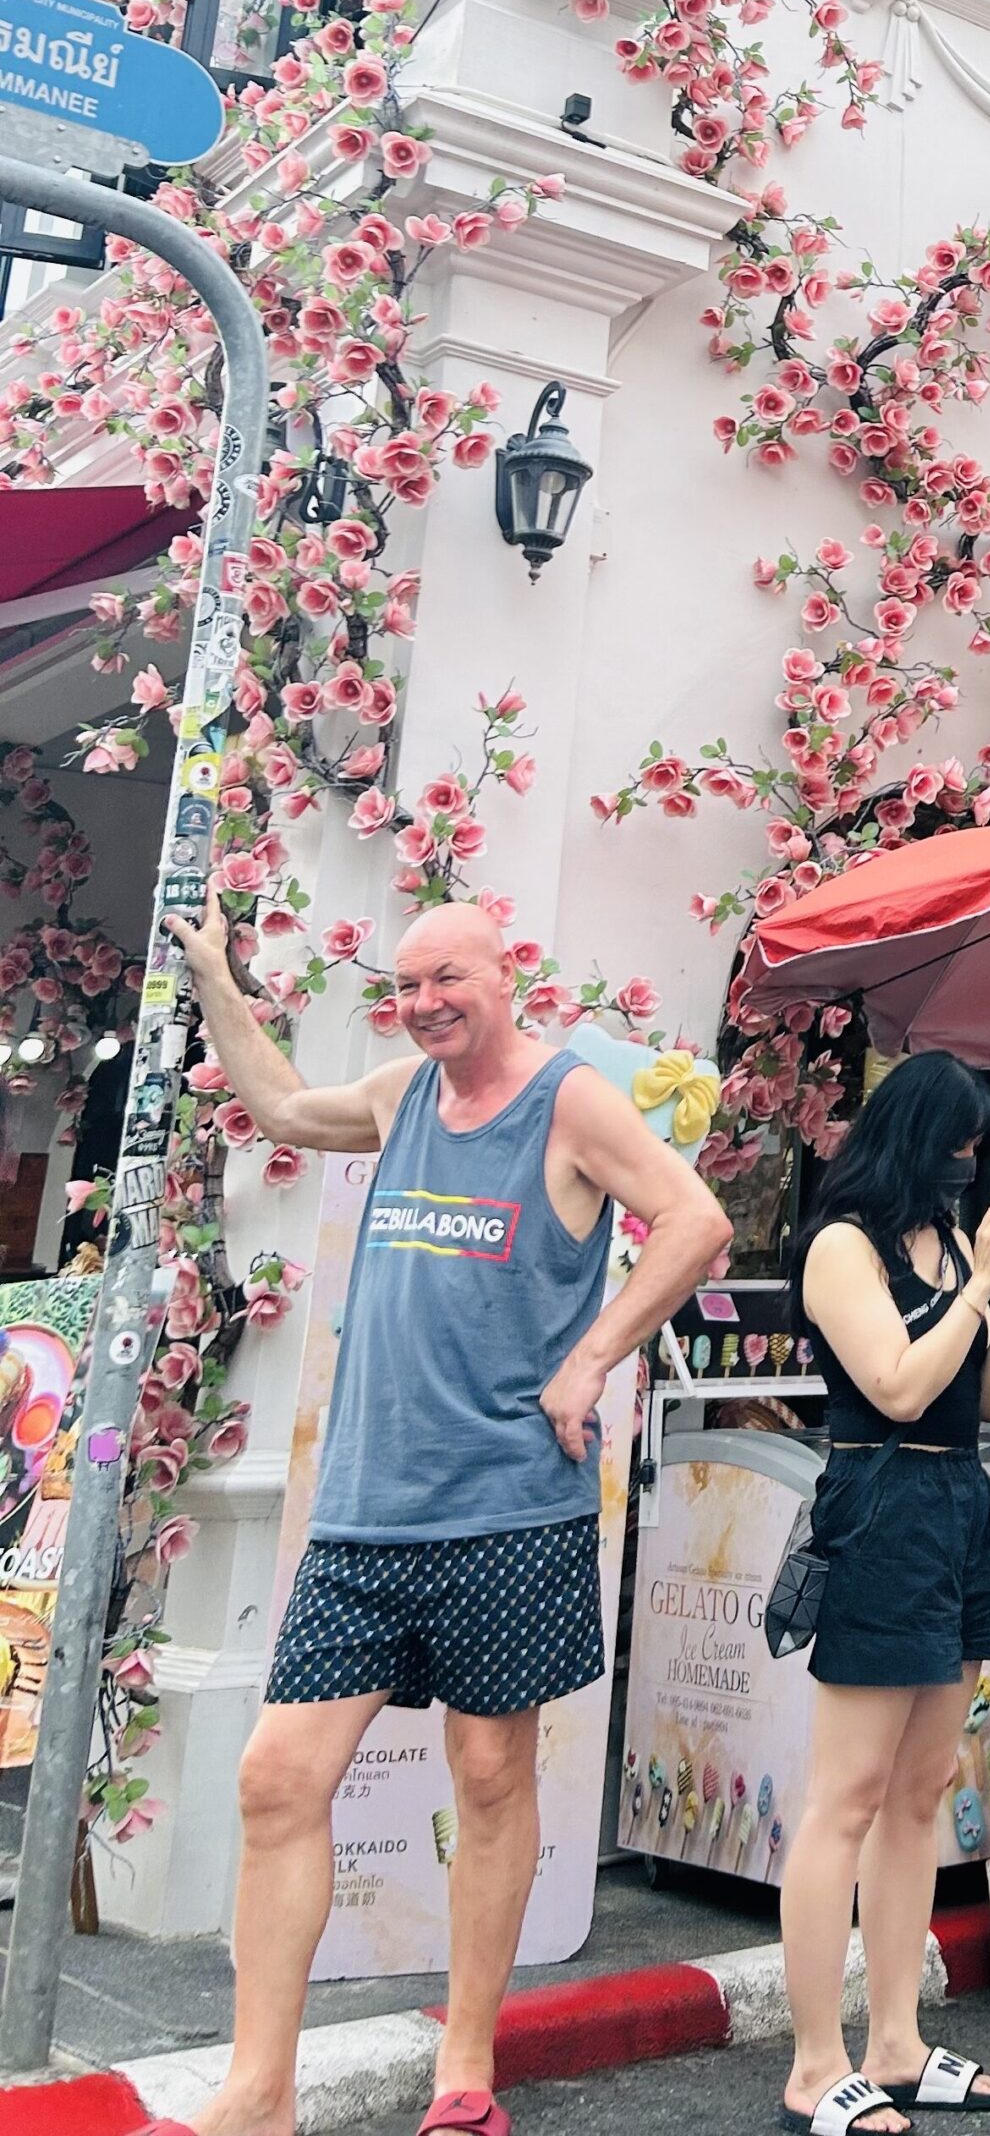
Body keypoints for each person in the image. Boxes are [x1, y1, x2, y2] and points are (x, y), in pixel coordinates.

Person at [152, 894, 731, 2136]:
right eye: (406, 988)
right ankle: (259, 2091)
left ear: (505, 971)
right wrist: (213, 981)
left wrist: (591, 1359)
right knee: (275, 1778)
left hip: (508, 1508)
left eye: (444, 980)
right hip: (366, 1511)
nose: (422, 1006)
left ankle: (464, 2071)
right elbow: (281, 1108)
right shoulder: (401, 1094)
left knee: (488, 1775)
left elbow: (694, 1220)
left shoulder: (568, 1100)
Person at [778, 1052, 990, 2136]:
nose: (970, 1163)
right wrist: (975, 1283)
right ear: (913, 1135)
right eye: (958, 1140)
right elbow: (893, 1383)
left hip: (956, 1499)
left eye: (981, 1145)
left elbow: (974, 1392)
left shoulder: (947, 1241)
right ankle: (813, 2062)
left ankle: (894, 2040)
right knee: (844, 1795)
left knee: (919, 1790)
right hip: (881, 1497)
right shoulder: (842, 1247)